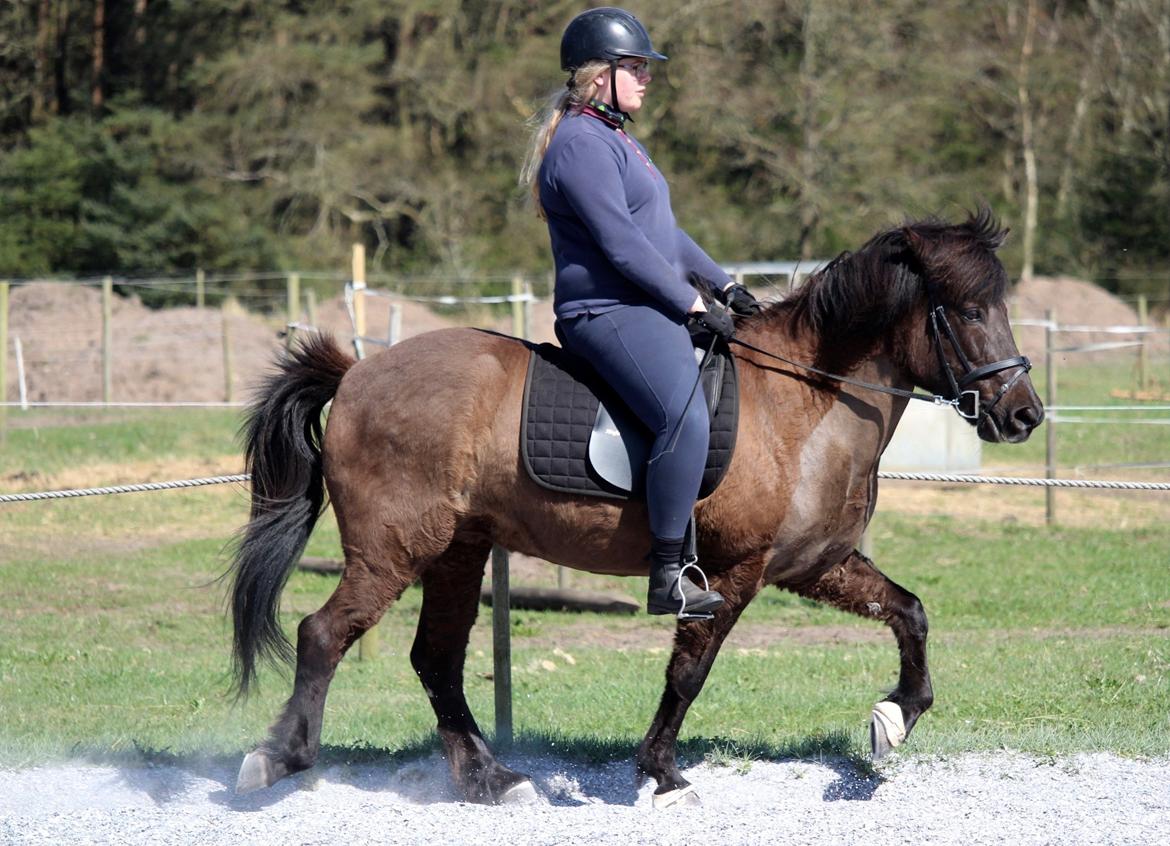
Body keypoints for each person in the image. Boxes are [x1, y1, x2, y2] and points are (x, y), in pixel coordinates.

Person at [520, 7, 761, 619]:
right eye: (635, 66)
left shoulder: (619, 138)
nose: (646, 77)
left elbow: (666, 236)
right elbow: (622, 244)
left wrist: (726, 286)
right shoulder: (578, 144)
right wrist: (690, 302)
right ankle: (669, 572)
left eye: (645, 67)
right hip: (606, 310)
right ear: (598, 75)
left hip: (643, 303)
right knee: (684, 415)